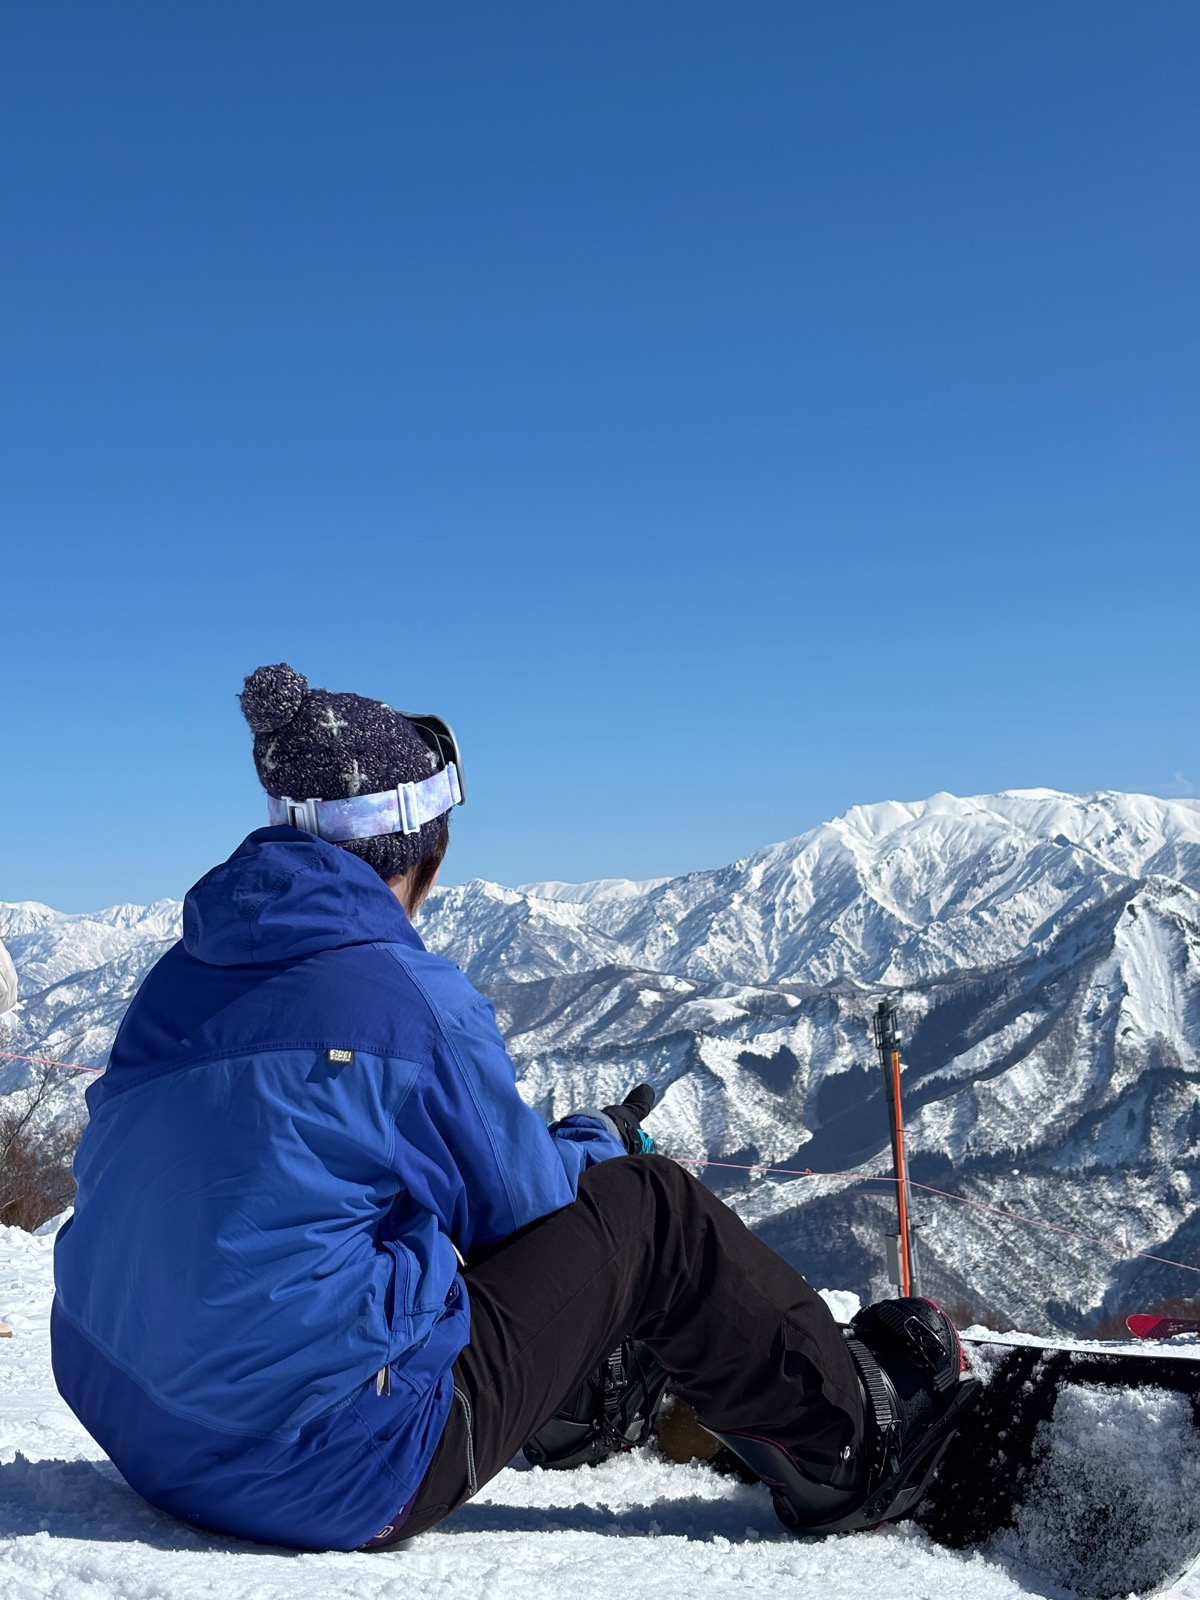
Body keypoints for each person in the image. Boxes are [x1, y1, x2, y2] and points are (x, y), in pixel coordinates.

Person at [51, 664, 976, 1553]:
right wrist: (596, 1142)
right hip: (328, 1469)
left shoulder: (177, 980)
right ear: (416, 850)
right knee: (651, 1210)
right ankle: (852, 1443)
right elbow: (528, 1210)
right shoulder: (406, 999)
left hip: (141, 1428)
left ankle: (576, 1406)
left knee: (386, 1221)